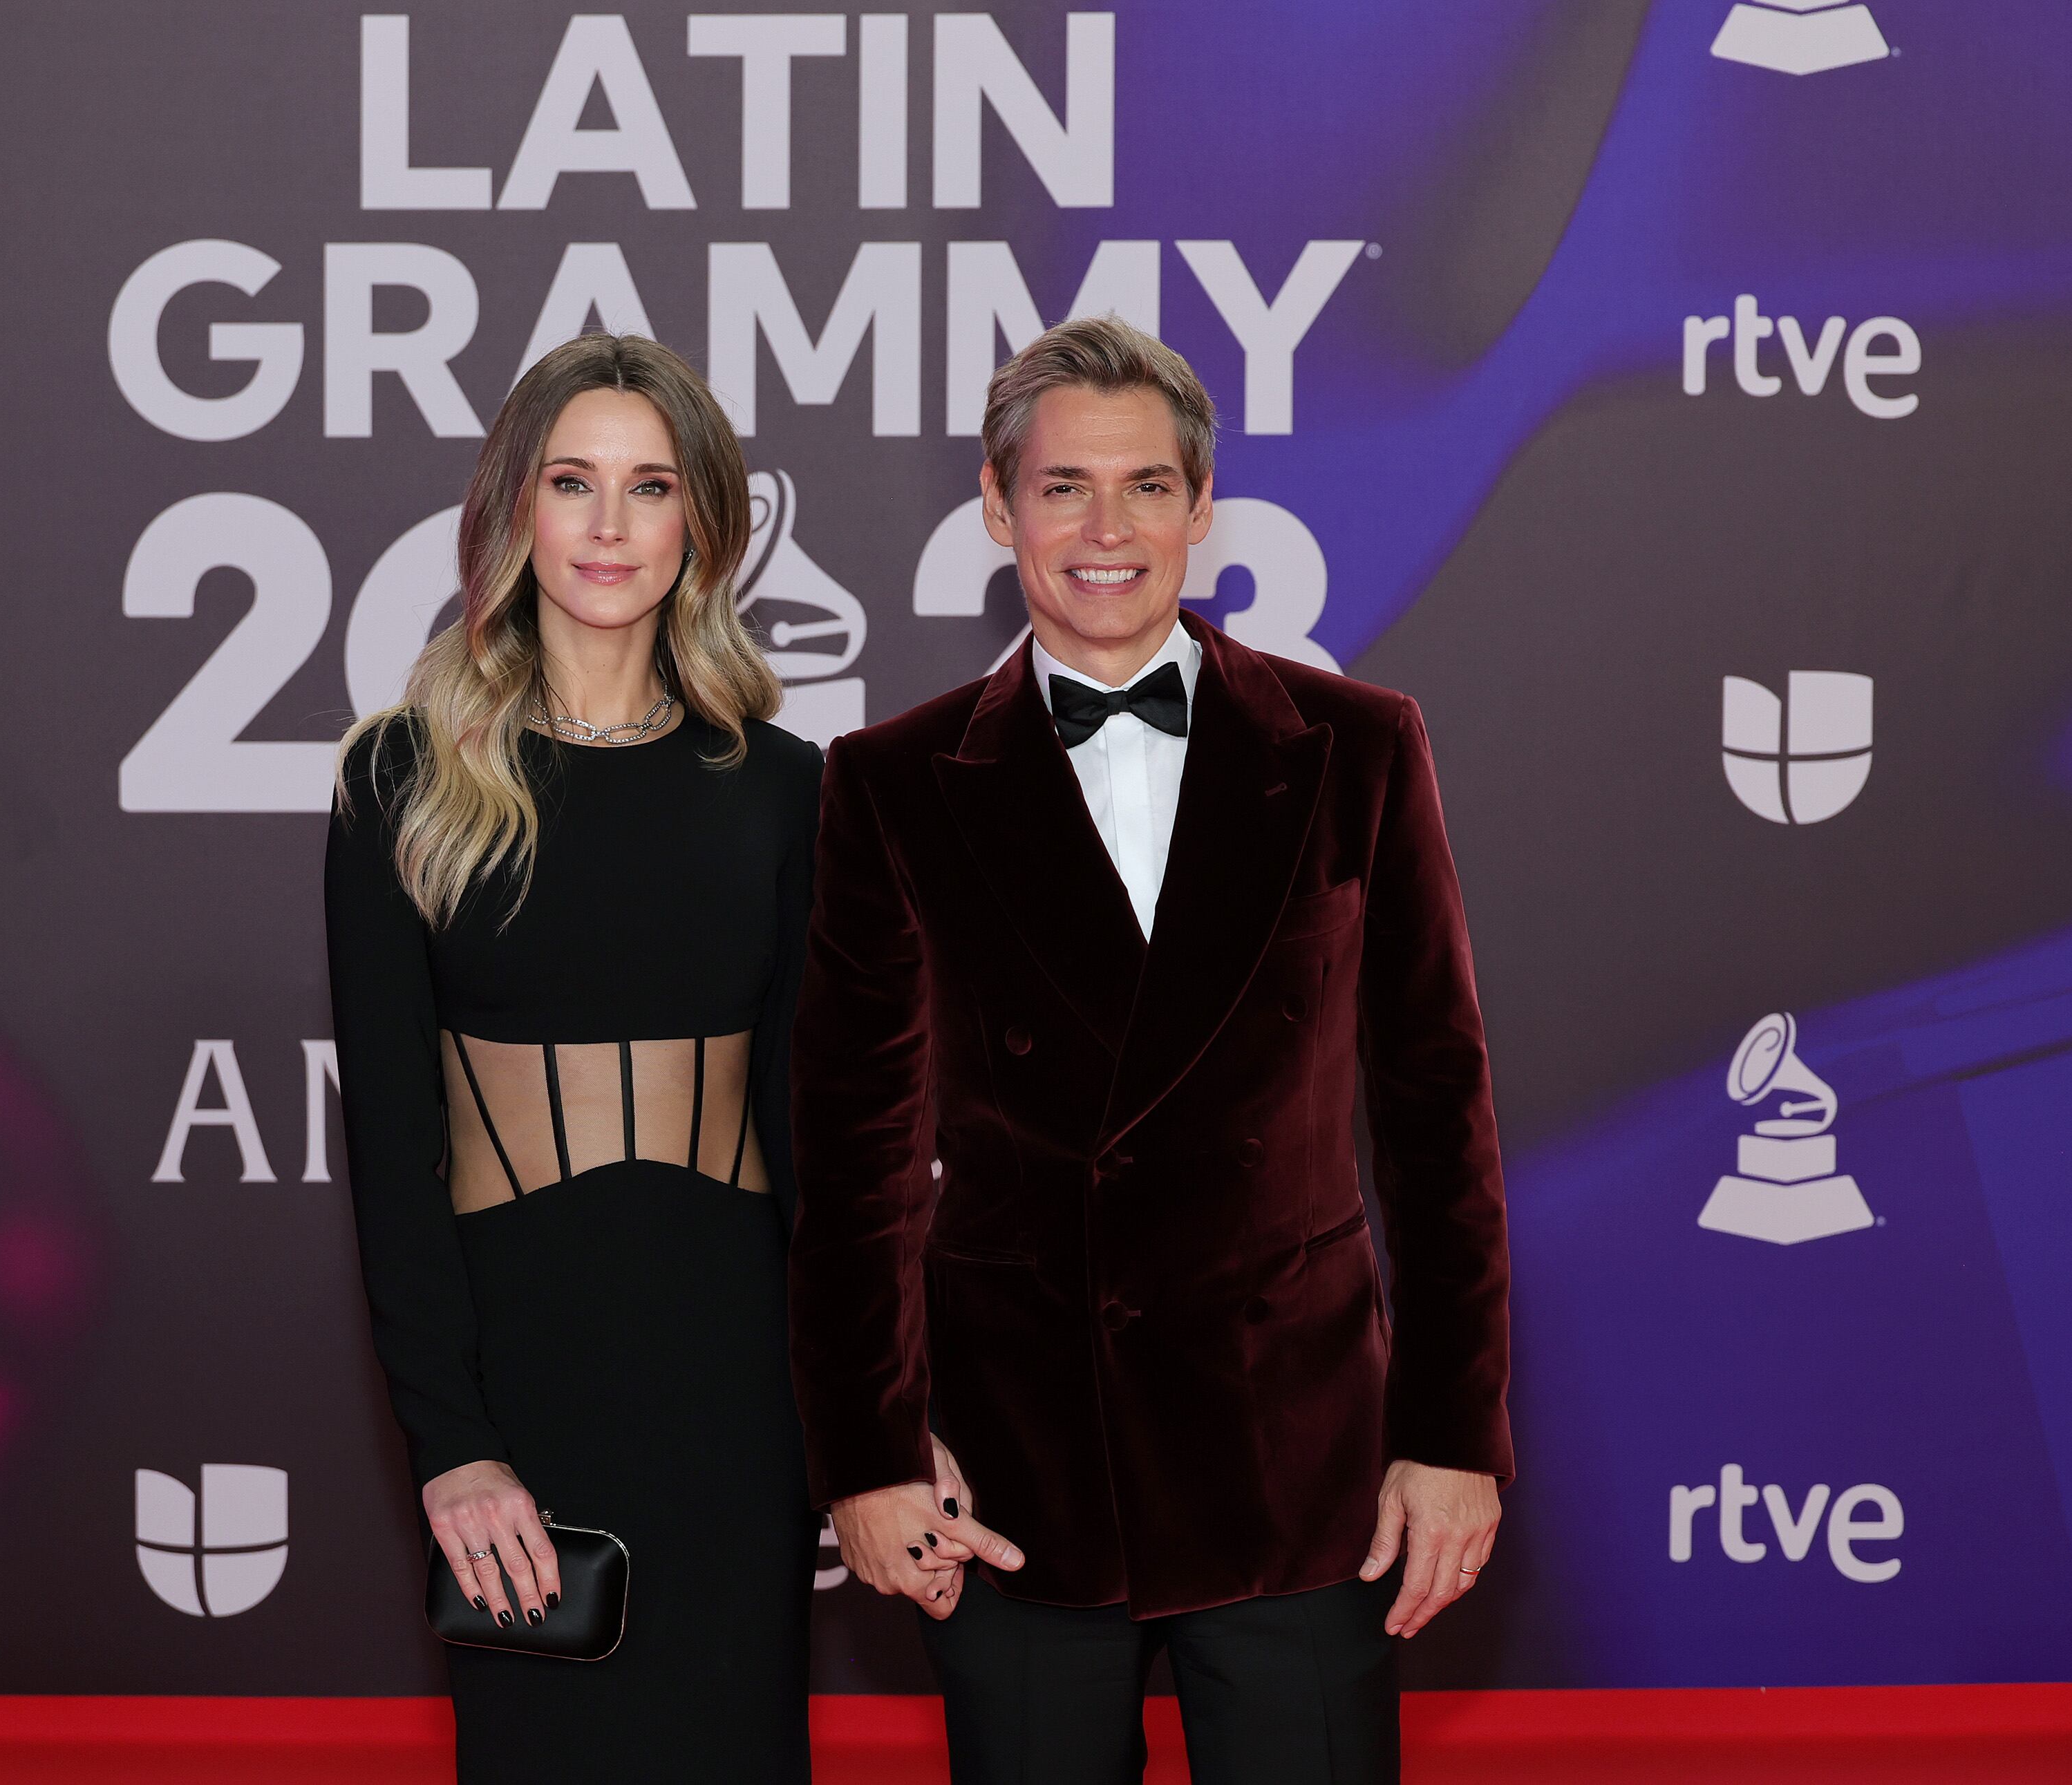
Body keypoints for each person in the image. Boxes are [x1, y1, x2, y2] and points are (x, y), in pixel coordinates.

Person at [788, 315, 1514, 1785]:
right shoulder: (892, 782)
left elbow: (1438, 1118)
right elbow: (856, 1155)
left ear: (1198, 506)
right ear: (999, 508)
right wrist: (869, 1450)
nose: (1105, 529)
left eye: (1144, 487)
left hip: (1300, 1464)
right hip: (1011, 1475)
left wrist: (1453, 1430)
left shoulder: (1356, 745)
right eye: (1063, 488)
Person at [325, 331, 824, 1782]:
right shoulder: (398, 781)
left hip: (739, 1388)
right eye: (573, 481)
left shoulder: (786, 786)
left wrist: (871, 1412)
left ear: (704, 523)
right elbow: (392, 1163)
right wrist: (452, 1439)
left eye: (651, 484)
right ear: (512, 510)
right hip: (523, 1387)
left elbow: (814, 1137)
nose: (610, 526)